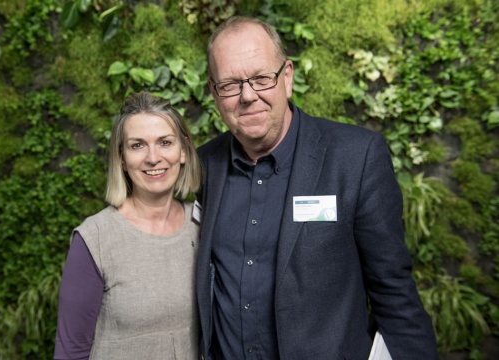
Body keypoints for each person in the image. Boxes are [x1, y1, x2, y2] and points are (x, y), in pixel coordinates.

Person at [195, 16, 439, 359]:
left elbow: (394, 294)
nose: (248, 96)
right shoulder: (203, 166)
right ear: (214, 93)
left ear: (287, 77)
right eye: (231, 84)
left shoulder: (355, 158)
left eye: (261, 78)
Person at [54, 92, 202, 360]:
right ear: (121, 158)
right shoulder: (95, 239)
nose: (153, 157)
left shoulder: (202, 225)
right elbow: (70, 352)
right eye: (137, 146)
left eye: (165, 142)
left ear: (183, 151)